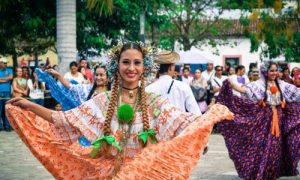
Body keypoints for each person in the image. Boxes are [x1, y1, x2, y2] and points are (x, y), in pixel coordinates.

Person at [6, 42, 233, 179]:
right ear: (117, 65)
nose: (131, 68)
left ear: (145, 68)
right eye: (126, 62)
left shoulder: (155, 103)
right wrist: (30, 106)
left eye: (137, 63)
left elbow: (185, 123)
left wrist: (202, 136)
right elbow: (64, 120)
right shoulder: (103, 101)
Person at [217, 61, 300, 179]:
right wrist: (231, 84)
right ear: (265, 71)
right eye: (271, 70)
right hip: (263, 120)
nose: (274, 73)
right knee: (262, 146)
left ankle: (271, 173)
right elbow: (245, 91)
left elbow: (297, 93)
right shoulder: (258, 85)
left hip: (279, 118)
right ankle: (261, 171)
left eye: (276, 70)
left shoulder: (282, 84)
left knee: (276, 147)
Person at [146, 51, 201, 115]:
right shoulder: (183, 86)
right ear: (171, 67)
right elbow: (196, 113)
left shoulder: (148, 89)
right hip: (181, 124)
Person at [0, 57, 13, 131]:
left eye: (6, 63)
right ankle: (0, 126)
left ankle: (7, 126)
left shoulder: (9, 70)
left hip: (7, 93)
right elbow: (8, 78)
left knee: (6, 110)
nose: (5, 64)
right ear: (0, 63)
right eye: (4, 63)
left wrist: (1, 80)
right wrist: (6, 79)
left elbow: (10, 77)